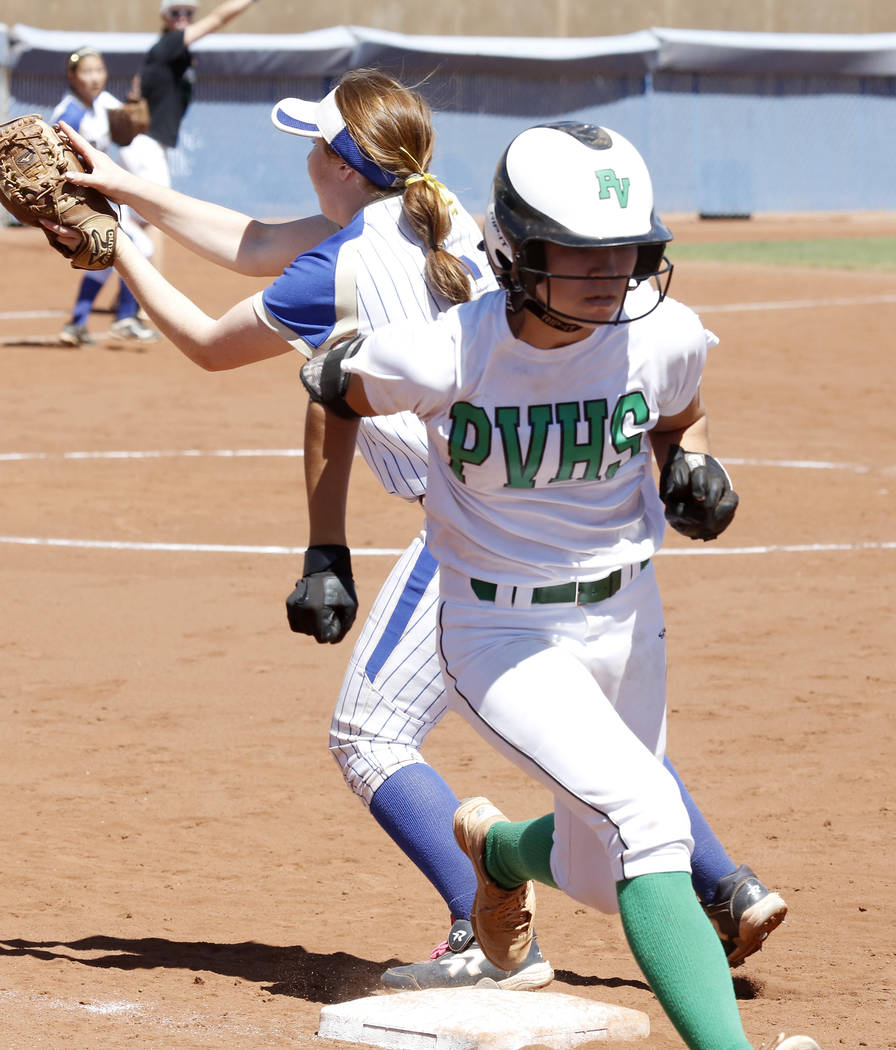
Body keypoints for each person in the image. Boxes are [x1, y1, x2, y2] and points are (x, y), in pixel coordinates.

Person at [51, 77, 782, 993]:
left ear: (339, 166)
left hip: (471, 525)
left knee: (369, 733)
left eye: (311, 147)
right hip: (566, 501)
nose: (303, 160)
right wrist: (120, 184)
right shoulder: (445, 221)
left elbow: (205, 337)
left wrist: (120, 247)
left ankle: (481, 927)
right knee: (593, 734)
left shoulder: (342, 264)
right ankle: (726, 884)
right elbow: (252, 242)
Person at [299, 121, 821, 1050]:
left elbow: (679, 412)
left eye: (625, 249)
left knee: (594, 865)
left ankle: (499, 851)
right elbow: (332, 389)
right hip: (498, 634)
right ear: (514, 249)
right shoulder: (444, 352)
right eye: (577, 251)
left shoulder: (662, 333)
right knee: (649, 818)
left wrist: (689, 465)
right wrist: (326, 551)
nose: (608, 271)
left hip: (630, 617)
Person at [136, 0, 260, 274]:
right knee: (156, 216)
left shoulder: (173, 51)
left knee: (142, 219)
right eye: (176, 12)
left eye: (188, 13)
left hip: (151, 142)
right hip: (145, 143)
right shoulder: (169, 44)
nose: (183, 17)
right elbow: (218, 18)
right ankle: (147, 298)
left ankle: (128, 291)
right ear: (165, 17)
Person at [52, 46, 158, 345]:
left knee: (107, 251)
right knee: (139, 246)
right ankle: (124, 318)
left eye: (99, 70)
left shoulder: (101, 103)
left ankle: (77, 324)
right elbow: (57, 157)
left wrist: (133, 105)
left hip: (95, 197)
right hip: (77, 197)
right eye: (87, 71)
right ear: (72, 77)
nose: (95, 77)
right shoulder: (70, 111)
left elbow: (126, 125)